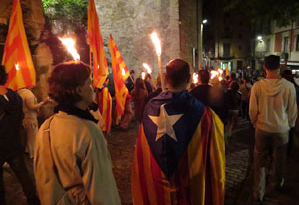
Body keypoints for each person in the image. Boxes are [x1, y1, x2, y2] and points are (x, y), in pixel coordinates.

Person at [131, 59, 225, 205]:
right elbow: (215, 162)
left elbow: (141, 152)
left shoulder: (150, 108)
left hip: (157, 192)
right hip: (188, 192)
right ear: (188, 79)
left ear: (166, 78)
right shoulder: (206, 116)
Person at [34, 61, 121, 205]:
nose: (92, 87)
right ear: (79, 90)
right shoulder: (88, 132)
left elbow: (42, 180)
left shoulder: (45, 127)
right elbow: (103, 191)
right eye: (90, 83)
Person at [249, 55, 297, 203]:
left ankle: (259, 191)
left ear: (264, 67)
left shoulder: (258, 86)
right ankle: (277, 184)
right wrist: (288, 125)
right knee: (280, 160)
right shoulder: (288, 86)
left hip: (262, 128)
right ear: (279, 67)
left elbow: (252, 110)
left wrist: (255, 123)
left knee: (259, 160)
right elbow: (292, 110)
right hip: (281, 129)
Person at [0, 65, 40, 205]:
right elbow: (19, 117)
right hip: (13, 143)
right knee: (23, 174)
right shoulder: (15, 95)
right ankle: (33, 199)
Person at [17, 88, 48, 158]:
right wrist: (42, 103)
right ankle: (33, 154)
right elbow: (31, 107)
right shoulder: (28, 94)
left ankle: (28, 151)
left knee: (28, 137)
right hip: (31, 118)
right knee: (33, 137)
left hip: (24, 117)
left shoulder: (20, 93)